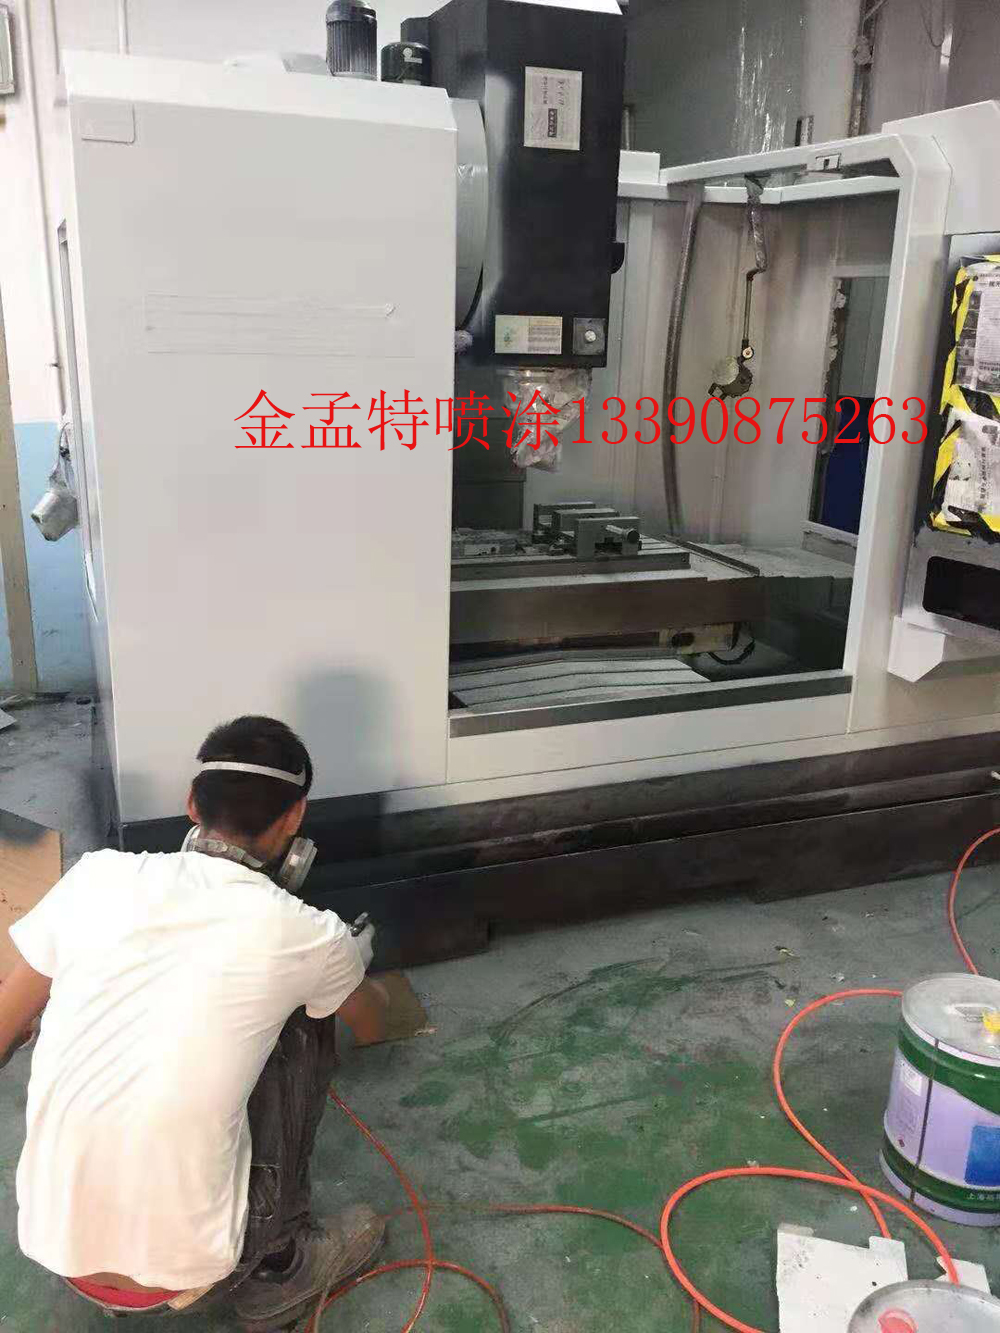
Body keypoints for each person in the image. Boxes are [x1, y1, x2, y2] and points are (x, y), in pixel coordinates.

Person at [0, 715, 388, 1332]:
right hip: (190, 1271)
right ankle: (280, 1264)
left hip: (55, 1244)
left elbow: (6, 1023)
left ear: (190, 804)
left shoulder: (96, 876)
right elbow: (370, 1017)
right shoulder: (306, 933)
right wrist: (352, 961)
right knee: (307, 1020)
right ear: (295, 818)